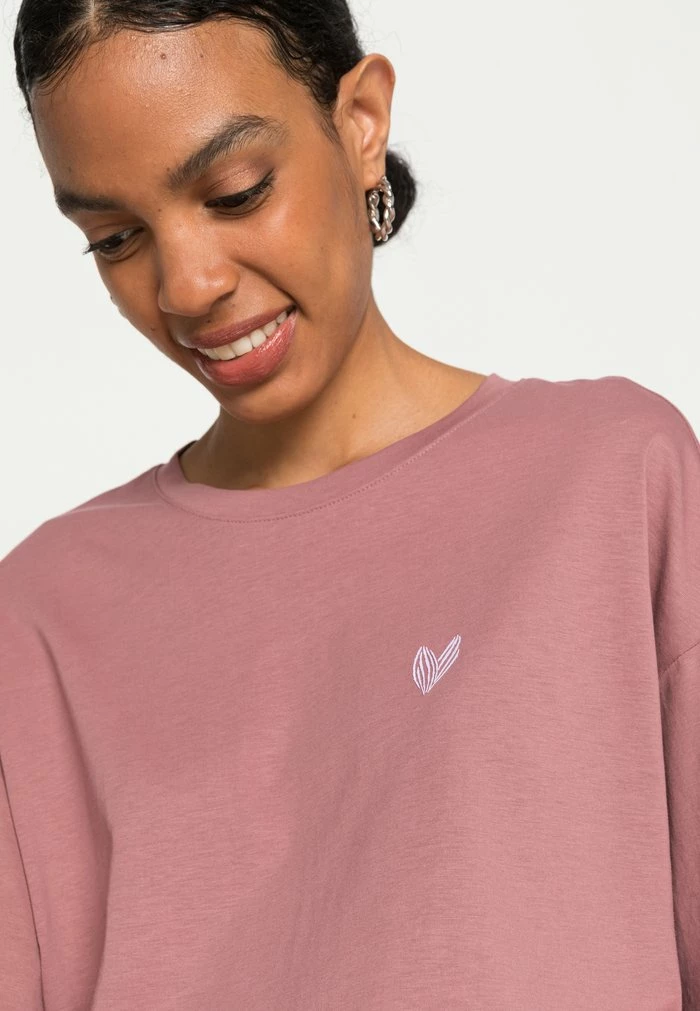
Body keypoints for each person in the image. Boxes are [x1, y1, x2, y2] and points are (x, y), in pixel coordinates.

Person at [2, 2, 698, 1008]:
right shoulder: (37, 621)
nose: (187, 285)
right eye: (115, 238)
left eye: (236, 192)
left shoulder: (613, 484)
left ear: (361, 122)